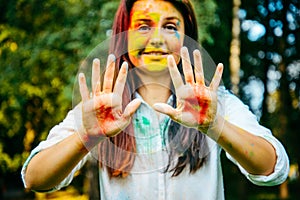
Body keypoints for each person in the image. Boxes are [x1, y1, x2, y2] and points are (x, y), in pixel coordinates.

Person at [21, 0, 289, 199]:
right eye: (143, 26)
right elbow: (34, 178)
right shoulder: (101, 107)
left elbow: (273, 169)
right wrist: (86, 136)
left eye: (170, 26)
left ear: (187, 37)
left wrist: (215, 126)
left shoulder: (217, 103)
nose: (157, 38)